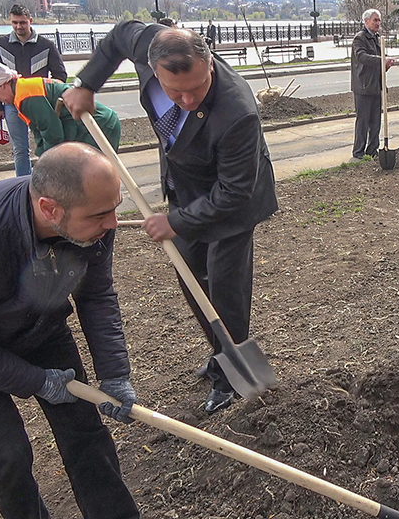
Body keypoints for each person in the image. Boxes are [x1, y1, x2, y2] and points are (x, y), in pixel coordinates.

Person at [0, 142, 140, 519]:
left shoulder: (92, 218)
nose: (113, 223)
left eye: (114, 208)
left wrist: (115, 374)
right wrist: (34, 380)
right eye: (102, 215)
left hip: (38, 321)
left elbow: (96, 294)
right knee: (7, 453)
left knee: (84, 429)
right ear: (49, 209)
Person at [63, 21, 279, 414]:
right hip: (184, 185)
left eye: (197, 87)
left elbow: (233, 191)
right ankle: (221, 352)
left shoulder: (237, 111)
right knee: (190, 274)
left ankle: (231, 377)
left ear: (209, 62)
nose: (188, 99)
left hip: (232, 201)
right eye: (174, 90)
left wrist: (175, 222)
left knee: (225, 287)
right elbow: (117, 37)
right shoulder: (150, 44)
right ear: (152, 68)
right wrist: (86, 84)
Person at [0, 61, 121, 156]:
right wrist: (41, 152)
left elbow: (52, 132)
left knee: (92, 179)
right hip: (93, 126)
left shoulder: (26, 96)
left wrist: (47, 157)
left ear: (3, 84)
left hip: (98, 125)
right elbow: (39, 130)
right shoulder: (21, 93)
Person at [0, 4, 67, 176]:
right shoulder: (1, 45)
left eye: (23, 22)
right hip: (12, 104)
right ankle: (24, 184)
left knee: (48, 142)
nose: (19, 26)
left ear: (30, 21)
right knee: (20, 149)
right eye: (15, 22)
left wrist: (52, 93)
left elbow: (60, 75)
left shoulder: (46, 45)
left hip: (40, 101)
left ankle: (49, 177)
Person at [350, 9, 395, 159]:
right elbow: (362, 57)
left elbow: (377, 62)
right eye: (375, 20)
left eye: (379, 20)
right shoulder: (360, 38)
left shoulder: (376, 38)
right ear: (366, 21)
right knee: (363, 122)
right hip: (363, 87)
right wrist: (382, 60)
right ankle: (358, 153)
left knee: (376, 122)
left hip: (376, 85)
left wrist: (386, 66)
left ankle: (372, 151)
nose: (378, 23)